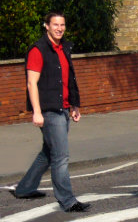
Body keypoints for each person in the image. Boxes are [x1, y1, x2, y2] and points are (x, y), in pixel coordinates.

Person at [11, 11, 91, 212]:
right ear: (46, 26)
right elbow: (32, 83)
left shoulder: (64, 47)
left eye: (62, 25)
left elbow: (69, 79)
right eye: (55, 25)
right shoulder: (39, 50)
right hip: (49, 110)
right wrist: (37, 112)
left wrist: (74, 105)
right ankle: (68, 200)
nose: (59, 28)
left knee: (48, 153)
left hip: (63, 108)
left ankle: (24, 188)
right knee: (61, 156)